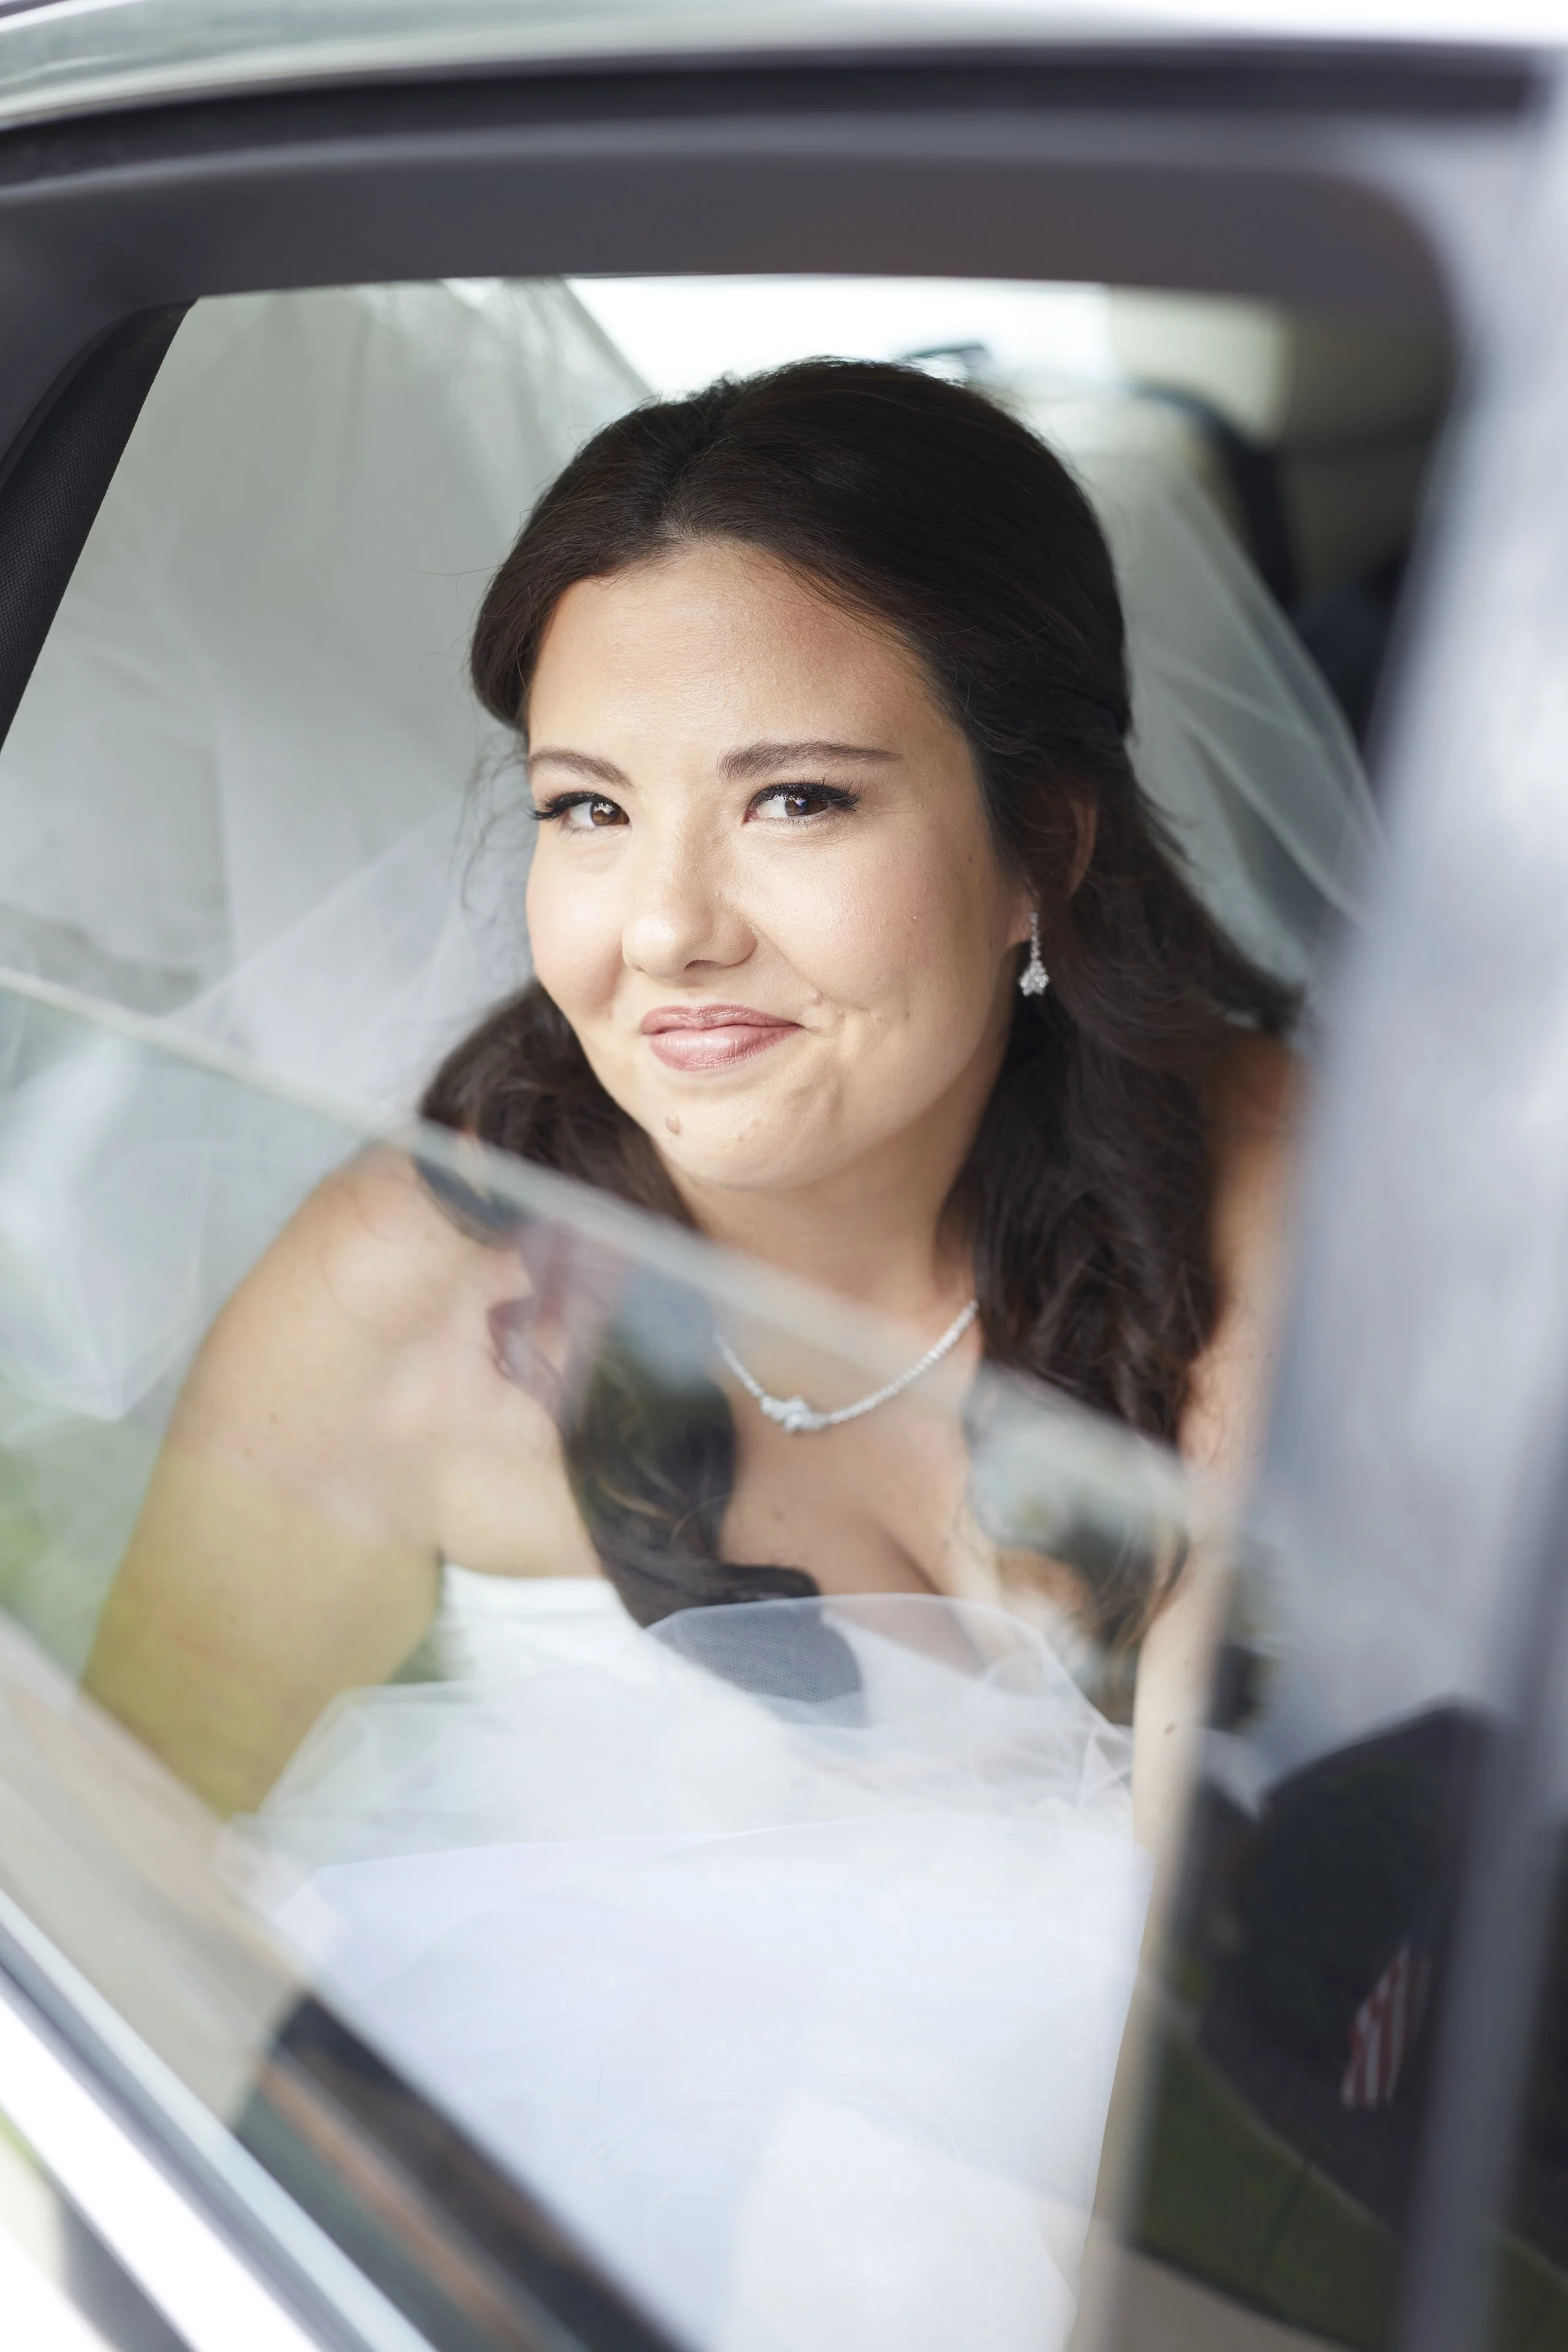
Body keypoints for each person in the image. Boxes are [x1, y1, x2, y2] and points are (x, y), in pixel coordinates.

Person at [84, 357, 1296, 1857]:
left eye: (794, 799)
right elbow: (121, 1886)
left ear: (1039, 842)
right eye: (588, 807)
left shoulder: (1264, 1192)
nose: (666, 932)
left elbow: (1233, 1968)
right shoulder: (409, 1289)